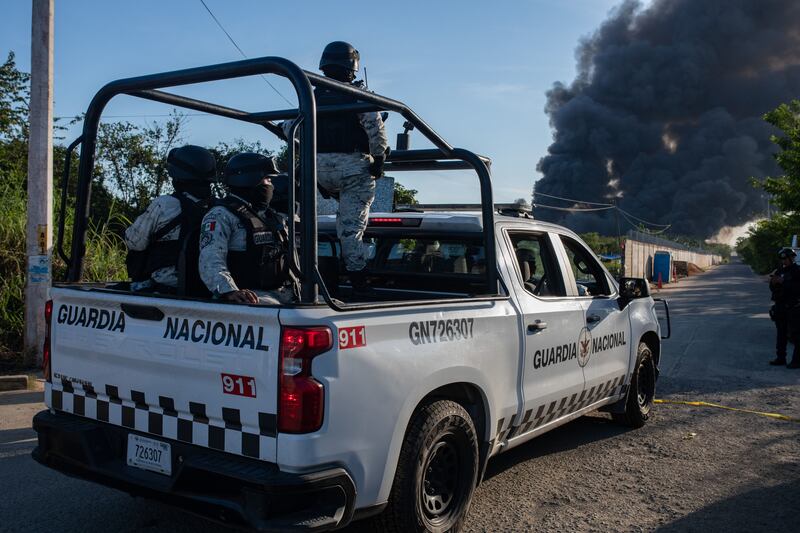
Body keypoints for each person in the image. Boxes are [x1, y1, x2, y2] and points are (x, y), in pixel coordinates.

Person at [283, 41, 389, 294]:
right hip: (353, 168)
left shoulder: (310, 95)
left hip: (317, 169)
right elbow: (376, 131)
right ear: (353, 67)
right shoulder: (358, 95)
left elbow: (288, 129)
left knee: (306, 225)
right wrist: (379, 161)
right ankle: (359, 281)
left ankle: (306, 274)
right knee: (350, 231)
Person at [198, 152, 294, 305]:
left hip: (281, 291)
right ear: (250, 179)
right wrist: (229, 290)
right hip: (250, 295)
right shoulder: (221, 215)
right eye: (267, 179)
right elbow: (210, 259)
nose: (271, 185)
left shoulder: (269, 215)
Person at [125, 144, 216, 293]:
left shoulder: (164, 204)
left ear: (178, 176)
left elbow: (136, 242)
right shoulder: (217, 207)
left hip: (168, 284)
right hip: (203, 285)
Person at [769, 247, 800, 368]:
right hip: (780, 307)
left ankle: (796, 361)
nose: (784, 261)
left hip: (794, 307)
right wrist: (773, 283)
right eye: (782, 259)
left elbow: (797, 288)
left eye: (786, 259)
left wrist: (783, 282)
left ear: (792, 258)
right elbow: (773, 289)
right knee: (781, 334)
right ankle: (780, 358)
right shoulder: (779, 271)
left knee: (796, 335)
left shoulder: (797, 271)